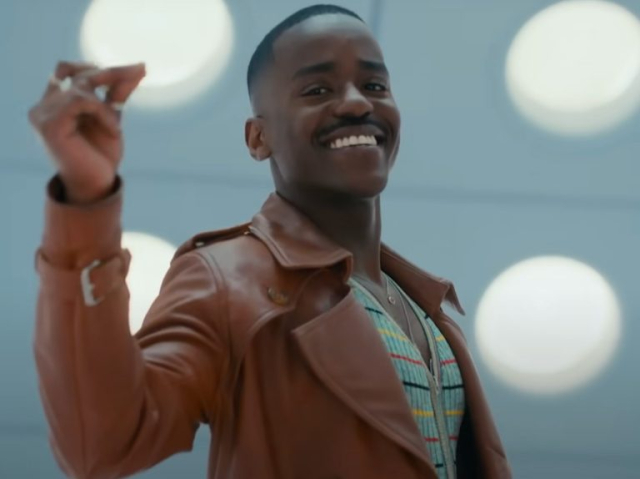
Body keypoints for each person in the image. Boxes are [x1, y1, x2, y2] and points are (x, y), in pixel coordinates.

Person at [29, 4, 511, 479]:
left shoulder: (430, 310)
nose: (357, 103)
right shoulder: (226, 280)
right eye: (318, 89)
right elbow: (104, 443)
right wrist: (85, 205)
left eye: (374, 86)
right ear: (258, 138)